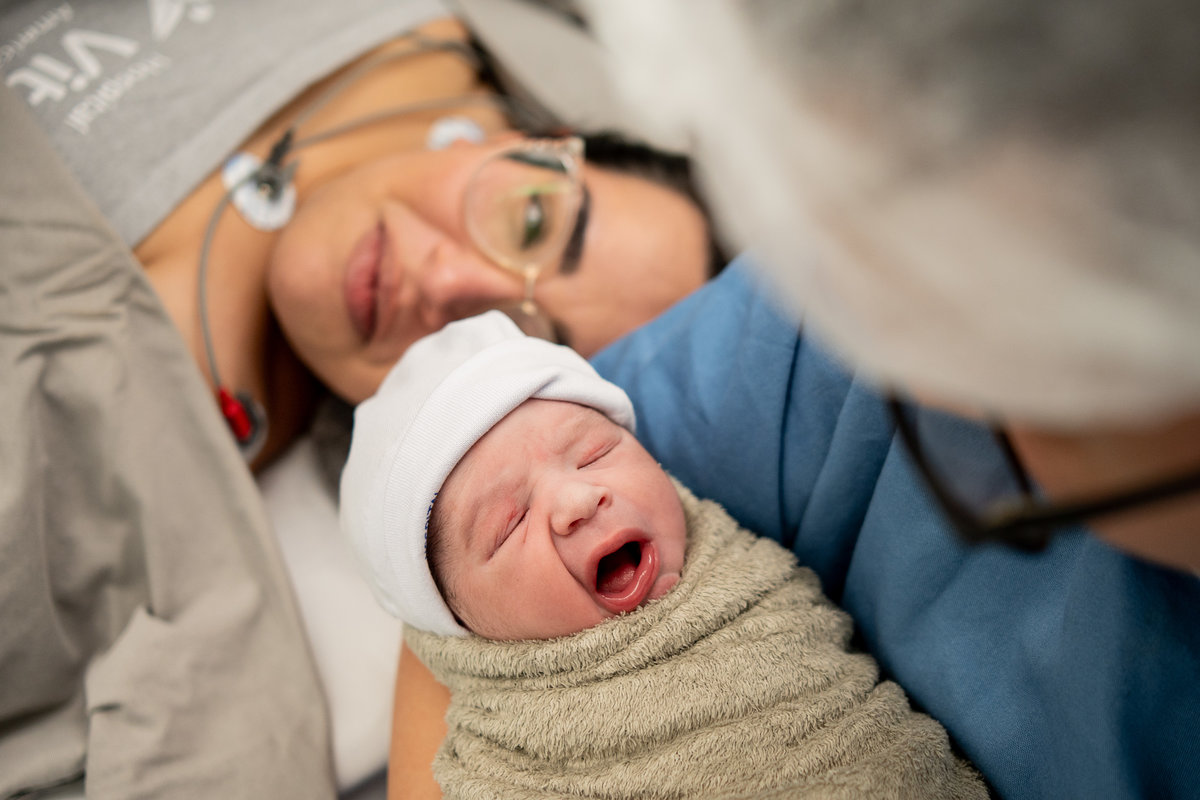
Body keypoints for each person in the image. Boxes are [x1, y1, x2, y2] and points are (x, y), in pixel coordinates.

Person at [0, 4, 719, 797]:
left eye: (509, 341)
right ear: (539, 142)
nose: (448, 282)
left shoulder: (103, 470)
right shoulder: (442, 29)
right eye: (534, 220)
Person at [340, 311, 986, 799]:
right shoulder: (510, 756)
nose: (577, 499)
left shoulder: (741, 574)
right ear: (464, 630)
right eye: (510, 524)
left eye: (593, 453)